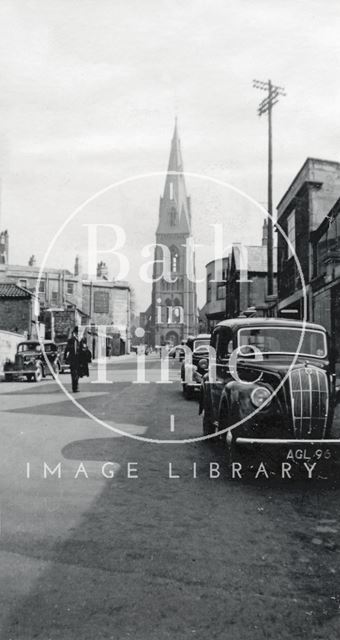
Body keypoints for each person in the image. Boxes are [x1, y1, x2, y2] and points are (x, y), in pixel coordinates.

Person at [64, 326, 80, 392]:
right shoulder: (70, 341)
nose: (76, 334)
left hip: (79, 360)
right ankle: (74, 387)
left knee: (77, 374)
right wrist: (65, 357)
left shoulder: (79, 341)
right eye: (75, 333)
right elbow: (66, 349)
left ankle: (76, 386)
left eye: (77, 333)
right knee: (73, 374)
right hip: (73, 360)